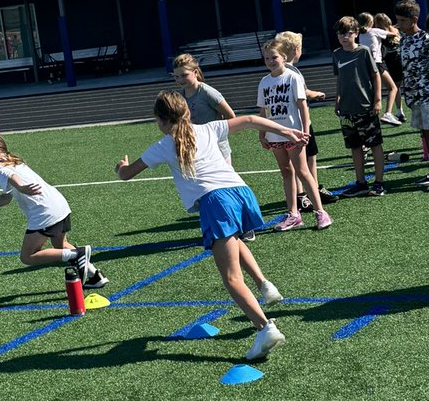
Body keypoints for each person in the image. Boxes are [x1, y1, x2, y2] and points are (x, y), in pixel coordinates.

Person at [116, 92, 299, 360]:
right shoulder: (209, 129)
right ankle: (264, 284)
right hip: (240, 192)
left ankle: (265, 328)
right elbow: (250, 120)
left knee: (231, 278)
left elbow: (127, 174)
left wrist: (120, 167)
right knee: (234, 241)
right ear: (187, 112)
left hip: (216, 202)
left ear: (161, 120)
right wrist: (286, 130)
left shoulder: (163, 145)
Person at [0, 132, 108, 288]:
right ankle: (96, 276)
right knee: (60, 245)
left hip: (44, 212)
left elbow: (11, 176)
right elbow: (6, 198)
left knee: (27, 257)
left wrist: (21, 187)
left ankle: (77, 254)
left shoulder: (1, 168)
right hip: (59, 205)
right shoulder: (15, 161)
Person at [257, 40, 332, 231]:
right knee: (286, 172)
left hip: (294, 135)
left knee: (302, 171)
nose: (270, 61)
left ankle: (320, 212)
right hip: (275, 135)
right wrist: (262, 133)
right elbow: (263, 111)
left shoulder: (292, 77)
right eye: (267, 58)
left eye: (274, 57)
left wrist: (305, 131)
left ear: (283, 57)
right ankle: (293, 214)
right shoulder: (264, 82)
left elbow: (302, 106)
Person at [274, 31, 337, 211]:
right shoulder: (291, 71)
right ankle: (310, 192)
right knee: (308, 159)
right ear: (296, 49)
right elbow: (302, 93)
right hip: (300, 122)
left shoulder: (280, 71)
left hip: (287, 122)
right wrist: (317, 94)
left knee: (297, 162)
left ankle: (304, 193)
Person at [394, 0, 429, 190]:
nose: (399, 25)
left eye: (403, 21)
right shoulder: (403, 40)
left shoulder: (425, 38)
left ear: (414, 19)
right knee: (424, 132)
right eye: (398, 20)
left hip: (427, 92)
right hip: (413, 93)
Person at [332, 16, 386, 197]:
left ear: (356, 33)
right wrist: (337, 100)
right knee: (355, 146)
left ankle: (379, 183)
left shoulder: (364, 51)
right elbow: (339, 79)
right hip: (347, 110)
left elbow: (376, 75)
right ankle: (360, 183)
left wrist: (377, 100)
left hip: (366, 107)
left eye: (347, 33)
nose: (344, 37)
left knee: (375, 144)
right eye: (340, 33)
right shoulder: (336, 54)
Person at [171, 53, 236, 162]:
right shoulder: (180, 97)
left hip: (217, 150)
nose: (180, 80)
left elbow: (230, 116)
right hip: (197, 150)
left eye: (184, 75)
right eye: (176, 76)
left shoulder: (207, 92)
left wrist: (216, 135)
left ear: (195, 72)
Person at [357, 12, 401, 124]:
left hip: (365, 65)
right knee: (393, 88)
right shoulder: (375, 31)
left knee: (372, 91)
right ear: (371, 22)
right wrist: (390, 26)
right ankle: (388, 114)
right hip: (376, 64)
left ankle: (369, 116)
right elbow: (394, 34)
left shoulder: (361, 34)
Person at [373, 13, 405, 122]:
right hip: (395, 60)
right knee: (396, 86)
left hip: (395, 60)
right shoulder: (388, 31)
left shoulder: (384, 32)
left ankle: (399, 111)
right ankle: (398, 111)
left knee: (396, 86)